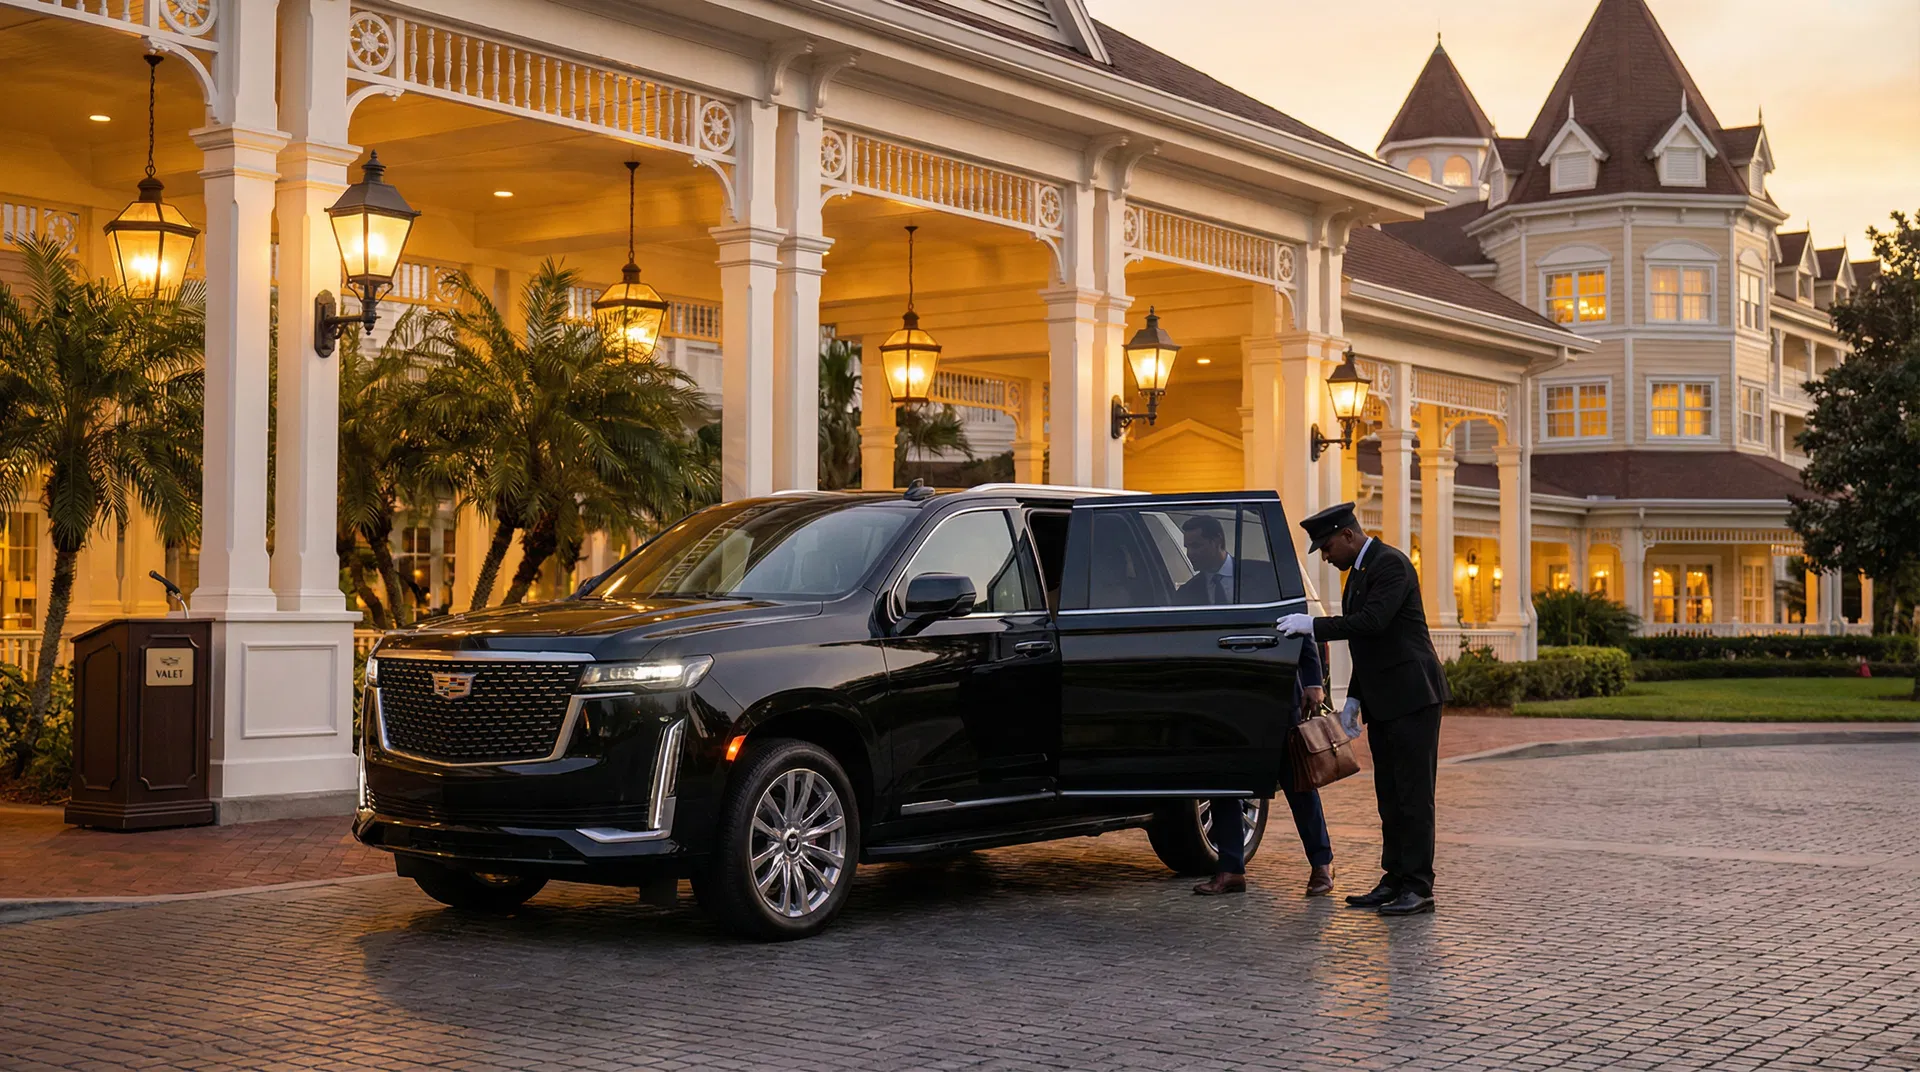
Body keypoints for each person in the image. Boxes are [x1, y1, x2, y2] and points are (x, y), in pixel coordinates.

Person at [1278, 502, 1449, 917]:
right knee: (1389, 796)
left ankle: (1418, 886)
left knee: (1413, 796)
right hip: (1386, 700)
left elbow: (1372, 623)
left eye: (1327, 546)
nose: (1325, 555)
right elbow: (1367, 646)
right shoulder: (1356, 574)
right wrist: (1356, 696)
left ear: (1349, 535)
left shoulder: (1391, 565)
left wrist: (1313, 626)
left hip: (1413, 697)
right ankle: (1394, 878)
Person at [1177, 513, 1334, 898]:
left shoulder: (1263, 576)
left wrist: (1313, 681)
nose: (1189, 552)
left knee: (1298, 783)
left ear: (1216, 541)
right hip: (1222, 705)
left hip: (1272, 694)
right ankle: (1231, 870)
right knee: (1224, 785)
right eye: (1187, 545)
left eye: (1195, 544)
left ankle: (1322, 865)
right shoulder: (1189, 592)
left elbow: (1299, 627)